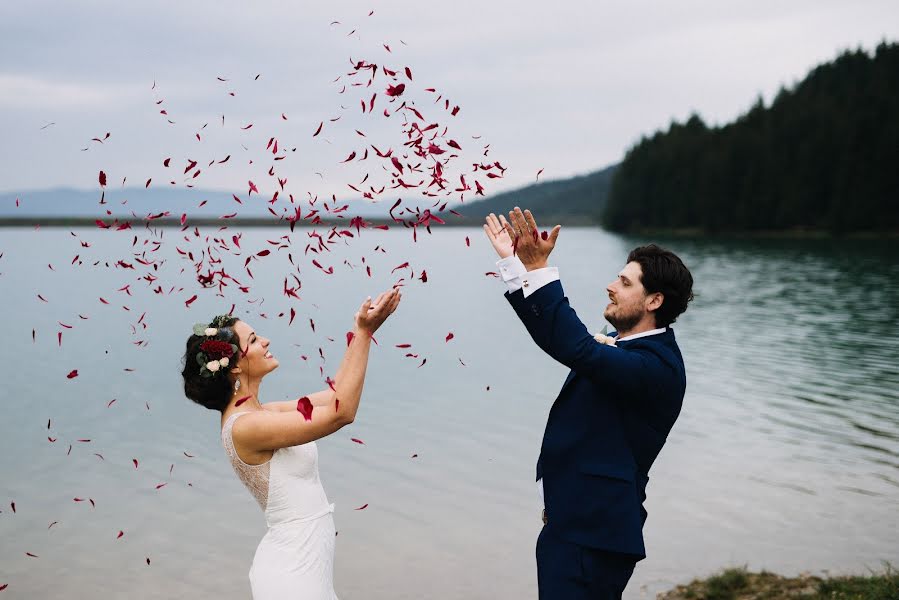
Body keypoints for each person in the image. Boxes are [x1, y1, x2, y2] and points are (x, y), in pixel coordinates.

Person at [483, 208, 693, 600]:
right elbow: (559, 339)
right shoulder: (625, 343)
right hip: (574, 530)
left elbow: (575, 347)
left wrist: (539, 267)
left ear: (654, 300)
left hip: (594, 540)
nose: (610, 286)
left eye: (625, 282)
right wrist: (515, 267)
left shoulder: (656, 366)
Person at [181, 288, 402, 600]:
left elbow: (336, 395)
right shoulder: (247, 427)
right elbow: (342, 414)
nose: (266, 341)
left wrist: (362, 329)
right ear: (233, 366)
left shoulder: (263, 413)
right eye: (254, 340)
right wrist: (365, 333)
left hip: (305, 568)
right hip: (293, 577)